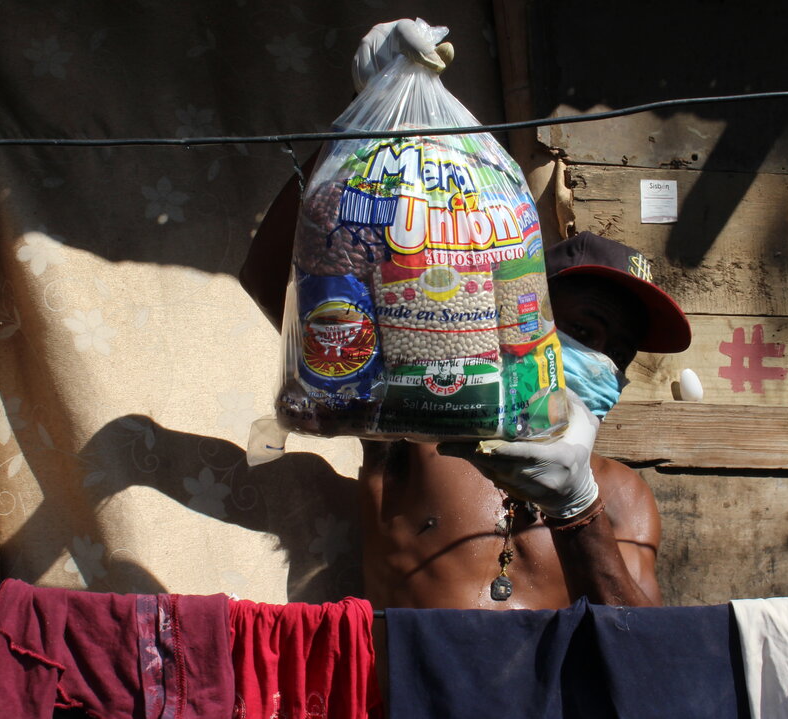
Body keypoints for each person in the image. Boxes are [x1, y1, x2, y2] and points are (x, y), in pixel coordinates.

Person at [238, 22, 692, 611]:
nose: (602, 362)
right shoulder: (418, 419)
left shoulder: (623, 496)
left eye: (620, 353)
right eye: (583, 330)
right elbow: (284, 283)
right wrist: (364, 123)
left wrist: (578, 508)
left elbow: (648, 657)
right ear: (512, 315)